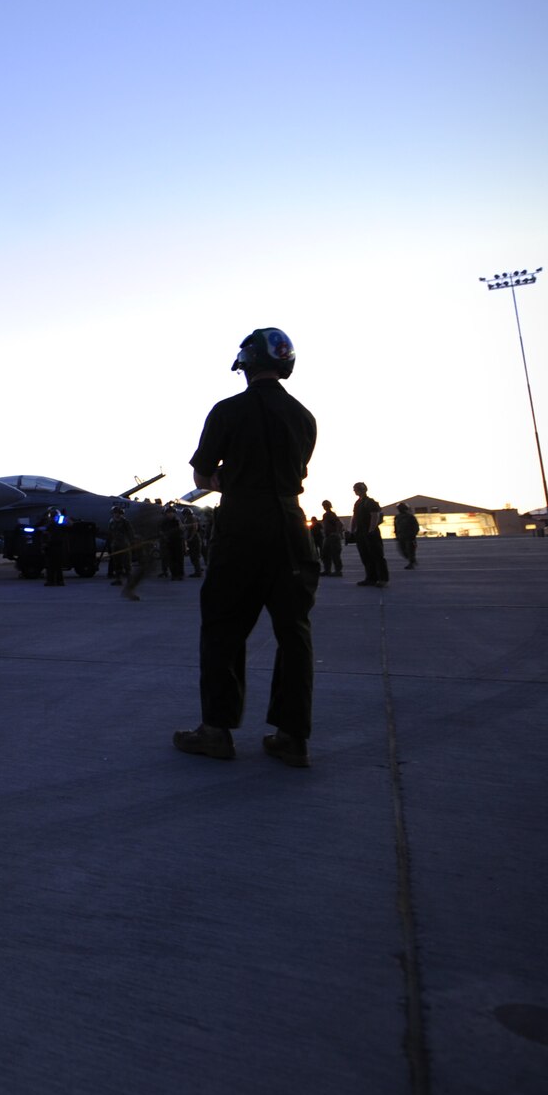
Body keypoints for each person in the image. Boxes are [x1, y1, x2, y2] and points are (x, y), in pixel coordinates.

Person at [174, 327, 319, 768]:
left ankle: (216, 732)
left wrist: (218, 479)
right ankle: (292, 737)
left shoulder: (227, 411)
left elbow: (202, 474)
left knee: (222, 628)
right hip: (292, 527)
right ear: (284, 363)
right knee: (294, 633)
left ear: (246, 363)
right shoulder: (304, 417)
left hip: (241, 526)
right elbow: (299, 470)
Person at [351, 483, 388, 586]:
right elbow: (354, 517)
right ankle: (370, 578)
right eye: (355, 489)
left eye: (357, 489)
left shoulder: (370, 502)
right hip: (361, 533)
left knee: (377, 556)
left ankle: (383, 579)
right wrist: (352, 531)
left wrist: (371, 530)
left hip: (371, 533)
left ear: (364, 490)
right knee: (365, 556)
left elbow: (375, 516)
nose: (356, 491)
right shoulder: (358, 503)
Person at [318, 500, 344, 576]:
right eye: (324, 505)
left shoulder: (331, 514)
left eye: (325, 505)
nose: (324, 507)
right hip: (327, 537)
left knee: (335, 554)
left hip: (333, 537)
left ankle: (338, 571)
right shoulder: (325, 515)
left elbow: (339, 523)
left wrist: (336, 533)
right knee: (325, 554)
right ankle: (327, 570)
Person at [106, 505, 131, 584]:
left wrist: (131, 541)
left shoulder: (125, 522)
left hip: (124, 544)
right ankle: (118, 579)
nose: (117, 514)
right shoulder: (111, 522)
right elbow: (110, 533)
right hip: (115, 545)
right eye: (115, 513)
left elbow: (130, 532)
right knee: (117, 563)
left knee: (126, 562)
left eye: (118, 513)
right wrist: (110, 544)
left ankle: (130, 579)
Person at [161, 506, 186, 581]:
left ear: (174, 513)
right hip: (169, 542)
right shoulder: (165, 522)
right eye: (168, 513)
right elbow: (161, 531)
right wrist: (165, 537)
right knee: (171, 559)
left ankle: (180, 574)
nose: (169, 514)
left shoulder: (178, 520)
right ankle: (174, 574)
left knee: (179, 559)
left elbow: (183, 529)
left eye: (171, 513)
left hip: (178, 541)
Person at [41, 511, 66, 586]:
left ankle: (51, 581)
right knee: (58, 566)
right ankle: (59, 581)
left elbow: (47, 535)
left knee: (51, 566)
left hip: (52, 547)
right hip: (58, 547)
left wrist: (45, 545)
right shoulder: (59, 525)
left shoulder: (51, 526)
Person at [394, 503, 419, 570]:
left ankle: (411, 562)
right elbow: (396, 527)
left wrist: (413, 534)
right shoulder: (397, 517)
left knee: (410, 550)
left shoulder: (410, 517)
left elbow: (416, 527)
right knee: (403, 551)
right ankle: (412, 560)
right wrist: (396, 535)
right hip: (401, 536)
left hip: (409, 536)